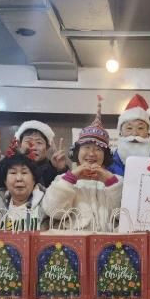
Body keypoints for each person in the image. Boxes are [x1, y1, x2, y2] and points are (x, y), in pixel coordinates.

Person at [44, 97, 122, 232]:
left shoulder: (117, 181)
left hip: (108, 243)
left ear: (105, 155)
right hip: (74, 242)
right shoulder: (62, 180)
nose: (91, 153)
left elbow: (126, 214)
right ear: (77, 152)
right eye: (86, 147)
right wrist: (71, 178)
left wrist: (110, 182)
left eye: (98, 149)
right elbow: (53, 212)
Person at [0, 120, 68, 199]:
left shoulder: (52, 170)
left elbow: (64, 199)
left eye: (39, 142)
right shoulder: (8, 166)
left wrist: (61, 170)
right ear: (19, 144)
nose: (33, 147)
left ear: (47, 147)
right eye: (28, 142)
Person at [0, 151, 49, 231]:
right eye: (13, 173)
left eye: (24, 172)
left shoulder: (49, 206)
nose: (19, 178)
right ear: (5, 181)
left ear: (34, 179)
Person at [108, 93, 150, 176]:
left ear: (148, 133)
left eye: (140, 128)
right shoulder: (110, 160)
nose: (135, 133)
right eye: (129, 128)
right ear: (120, 133)